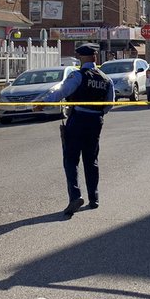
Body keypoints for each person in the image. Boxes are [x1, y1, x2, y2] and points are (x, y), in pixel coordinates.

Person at [37, 43, 114, 215]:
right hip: (96, 122)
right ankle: (94, 198)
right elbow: (110, 104)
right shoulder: (106, 79)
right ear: (95, 58)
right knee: (91, 160)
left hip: (78, 119)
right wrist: (97, 114)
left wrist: (42, 104)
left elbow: (62, 92)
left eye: (79, 57)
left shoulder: (78, 75)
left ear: (82, 57)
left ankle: (75, 196)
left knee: (71, 160)